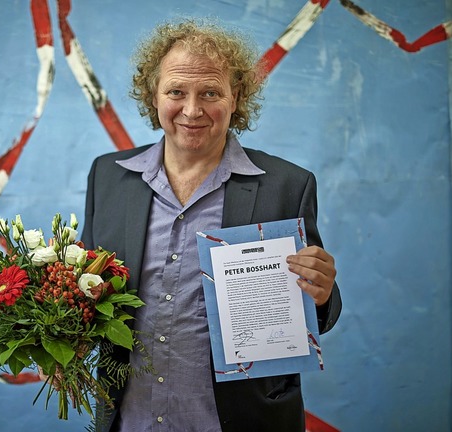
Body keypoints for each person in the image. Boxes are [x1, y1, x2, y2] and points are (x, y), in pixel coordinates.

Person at [80, 18, 342, 432]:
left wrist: (322, 294)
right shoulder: (108, 178)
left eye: (210, 93)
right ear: (154, 95)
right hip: (130, 420)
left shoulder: (287, 186)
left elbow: (316, 310)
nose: (192, 109)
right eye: (176, 92)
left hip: (242, 421)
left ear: (236, 97)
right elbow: (86, 292)